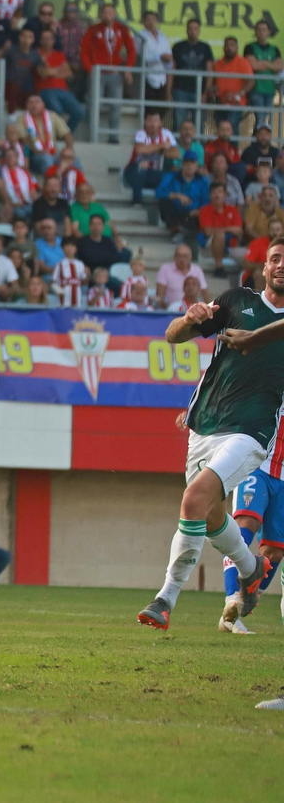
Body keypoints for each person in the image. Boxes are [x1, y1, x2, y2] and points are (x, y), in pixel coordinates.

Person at [137, 240, 284, 630]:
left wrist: (255, 340)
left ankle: (165, 598)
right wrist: (188, 319)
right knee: (214, 516)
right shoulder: (238, 300)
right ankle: (253, 570)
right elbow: (172, 336)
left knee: (193, 500)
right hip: (204, 423)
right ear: (264, 268)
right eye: (275, 259)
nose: (281, 265)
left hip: (252, 430)